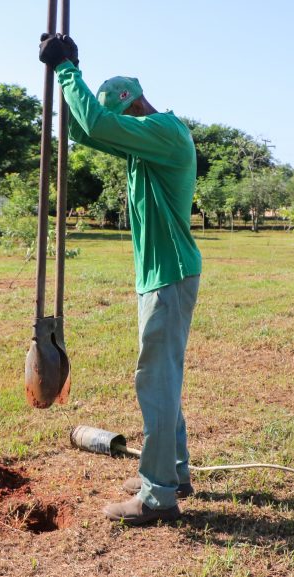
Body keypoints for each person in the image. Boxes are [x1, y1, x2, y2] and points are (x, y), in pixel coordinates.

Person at [40, 34, 202, 525]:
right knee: (163, 378)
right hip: (161, 275)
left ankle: (158, 496)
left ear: (133, 105)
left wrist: (67, 70)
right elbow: (89, 131)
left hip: (169, 275)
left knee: (154, 380)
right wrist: (72, 73)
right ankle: (172, 470)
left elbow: (98, 124)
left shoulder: (164, 132)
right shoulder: (145, 144)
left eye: (120, 119)